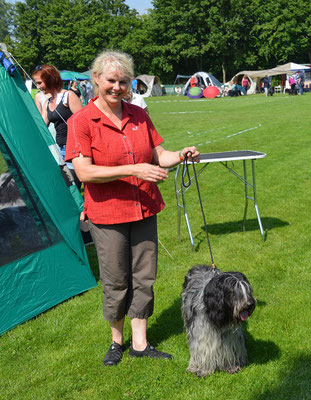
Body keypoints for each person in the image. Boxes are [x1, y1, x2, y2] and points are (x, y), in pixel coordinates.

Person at [66, 50, 200, 366]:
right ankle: (117, 341)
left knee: (144, 276)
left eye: (123, 82)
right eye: (111, 80)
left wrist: (181, 154)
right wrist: (134, 170)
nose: (117, 87)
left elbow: (159, 154)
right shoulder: (81, 121)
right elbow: (84, 172)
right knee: (115, 281)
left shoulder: (138, 114)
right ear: (96, 79)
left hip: (144, 209)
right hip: (108, 214)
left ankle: (140, 343)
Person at [32, 64, 83, 188]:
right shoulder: (48, 102)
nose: (38, 87)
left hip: (76, 150)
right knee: (67, 188)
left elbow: (84, 123)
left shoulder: (68, 96)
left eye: (39, 83)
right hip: (61, 150)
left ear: (50, 79)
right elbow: (41, 128)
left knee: (74, 187)